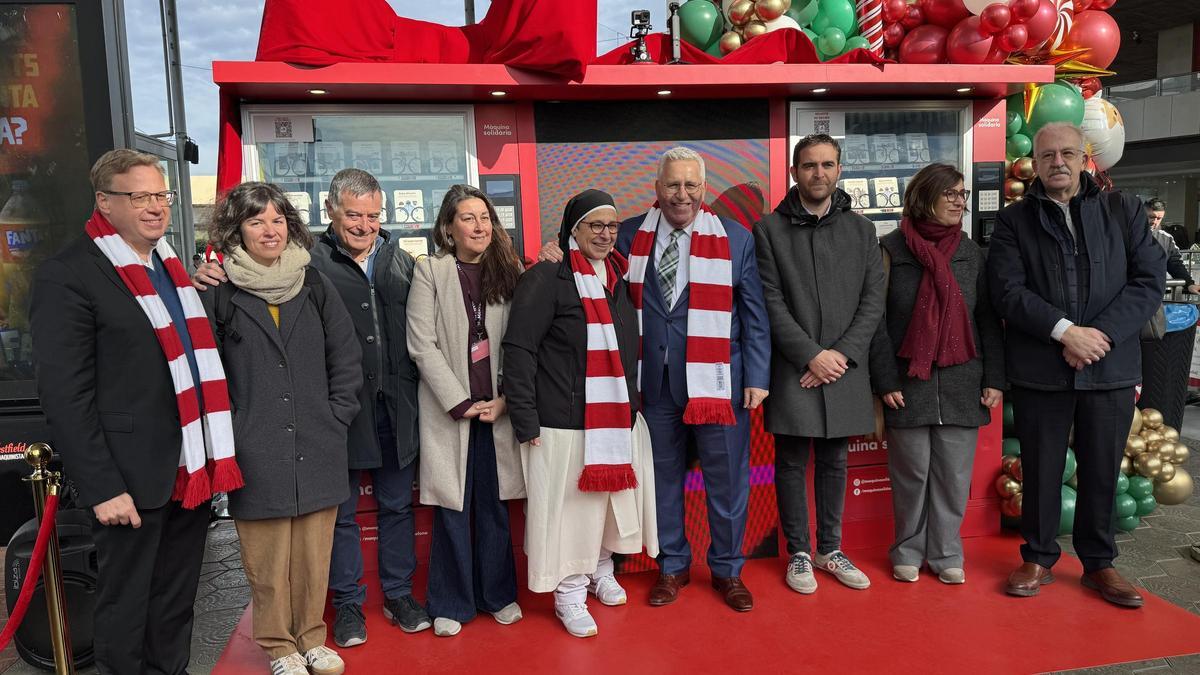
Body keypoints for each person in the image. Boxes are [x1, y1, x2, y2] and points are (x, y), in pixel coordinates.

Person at [31, 149, 244, 674]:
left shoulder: (172, 268)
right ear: (105, 202)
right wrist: (102, 487)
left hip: (187, 470)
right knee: (126, 609)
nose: (155, 208)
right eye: (140, 196)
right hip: (127, 478)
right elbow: (65, 395)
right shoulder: (69, 274)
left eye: (161, 196)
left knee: (174, 603)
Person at [194, 168, 428, 643]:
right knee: (337, 515)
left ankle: (400, 594)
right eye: (353, 215)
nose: (364, 224)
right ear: (330, 212)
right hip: (332, 421)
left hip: (392, 410)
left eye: (373, 215)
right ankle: (347, 606)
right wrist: (337, 412)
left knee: (397, 507)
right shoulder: (309, 264)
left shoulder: (401, 261)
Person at [537, 149, 771, 611]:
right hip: (651, 383)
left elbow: (754, 314)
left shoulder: (737, 238)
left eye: (690, 185)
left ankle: (727, 570)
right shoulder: (626, 235)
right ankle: (672, 566)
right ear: (657, 188)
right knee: (661, 481)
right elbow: (585, 263)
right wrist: (554, 249)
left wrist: (759, 376)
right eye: (672, 185)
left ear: (703, 190)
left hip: (719, 383)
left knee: (727, 483)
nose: (681, 194)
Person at [987, 121, 1165, 608]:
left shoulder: (1122, 210)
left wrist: (1098, 336)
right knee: (1042, 467)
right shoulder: (1013, 221)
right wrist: (1066, 332)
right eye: (1047, 156)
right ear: (1036, 164)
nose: (1057, 163)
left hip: (1109, 365)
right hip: (1043, 367)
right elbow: (1006, 291)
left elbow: (1147, 282)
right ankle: (1039, 557)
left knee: (1103, 468)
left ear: (1084, 158)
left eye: (1067, 153)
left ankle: (1100, 564)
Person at [202, 182, 362, 675]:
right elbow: (207, 370)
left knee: (315, 554)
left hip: (319, 438)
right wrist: (234, 430)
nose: (268, 231)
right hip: (257, 444)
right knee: (267, 557)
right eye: (255, 222)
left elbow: (346, 354)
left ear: (289, 225)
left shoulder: (313, 282)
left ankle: (312, 636)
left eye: (276, 220)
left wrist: (338, 413)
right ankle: (277, 645)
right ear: (237, 230)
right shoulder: (218, 290)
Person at [504, 189, 658, 638]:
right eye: (596, 226)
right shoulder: (547, 278)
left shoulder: (618, 276)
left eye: (612, 226)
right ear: (574, 229)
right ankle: (569, 594)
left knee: (609, 506)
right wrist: (525, 419)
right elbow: (518, 352)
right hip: (562, 424)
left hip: (615, 420)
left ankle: (601, 570)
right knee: (571, 515)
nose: (606, 234)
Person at [753, 133, 884, 595]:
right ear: (794, 172)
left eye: (828, 164)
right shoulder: (769, 229)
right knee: (790, 462)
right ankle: (800, 554)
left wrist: (841, 356)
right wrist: (811, 354)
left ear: (839, 170)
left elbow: (873, 302)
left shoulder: (862, 230)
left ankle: (831, 548)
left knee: (834, 460)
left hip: (844, 368)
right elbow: (769, 301)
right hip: (796, 368)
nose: (819, 173)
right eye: (809, 165)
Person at [866, 163, 1005, 585]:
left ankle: (946, 553)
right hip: (908, 385)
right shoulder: (890, 250)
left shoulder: (972, 254)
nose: (960, 202)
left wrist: (994, 378)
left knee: (952, 476)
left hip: (964, 383)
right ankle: (907, 550)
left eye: (963, 195)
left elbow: (988, 320)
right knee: (911, 476)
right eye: (951, 194)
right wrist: (885, 380)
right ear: (925, 197)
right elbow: (876, 323)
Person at [406, 185, 526, 637]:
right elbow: (422, 345)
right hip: (451, 412)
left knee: (493, 508)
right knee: (452, 508)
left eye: (485, 217)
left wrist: (505, 399)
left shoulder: (509, 271)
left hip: (497, 411)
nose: (479, 226)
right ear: (448, 228)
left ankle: (497, 595)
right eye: (468, 218)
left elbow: (519, 342)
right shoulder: (430, 271)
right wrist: (461, 402)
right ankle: (450, 603)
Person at [1144, 198, 1199, 294]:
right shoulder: (1128, 236)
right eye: (1151, 217)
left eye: (1159, 218)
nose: (1154, 221)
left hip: (1155, 293)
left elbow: (1175, 264)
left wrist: (1189, 284)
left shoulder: (1166, 239)